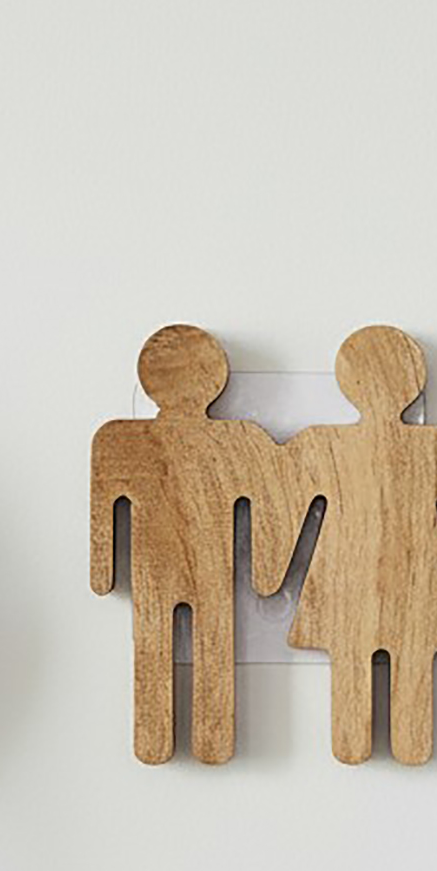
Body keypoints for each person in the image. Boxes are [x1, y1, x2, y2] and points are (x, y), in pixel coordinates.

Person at [284, 326, 437, 764]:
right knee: (408, 661)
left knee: (354, 660)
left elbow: (289, 524)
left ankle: (361, 742)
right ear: (414, 380)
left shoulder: (324, 446)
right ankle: (403, 744)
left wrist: (269, 575)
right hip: (418, 583)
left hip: (346, 584)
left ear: (347, 381)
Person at [90, 325, 299, 763]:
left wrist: (103, 573)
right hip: (203, 568)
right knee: (210, 649)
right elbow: (269, 515)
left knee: (157, 646)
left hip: (167, 568)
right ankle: (206, 740)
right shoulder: (238, 441)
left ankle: (164, 740)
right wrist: (265, 575)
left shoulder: (119, 440)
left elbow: (104, 519)